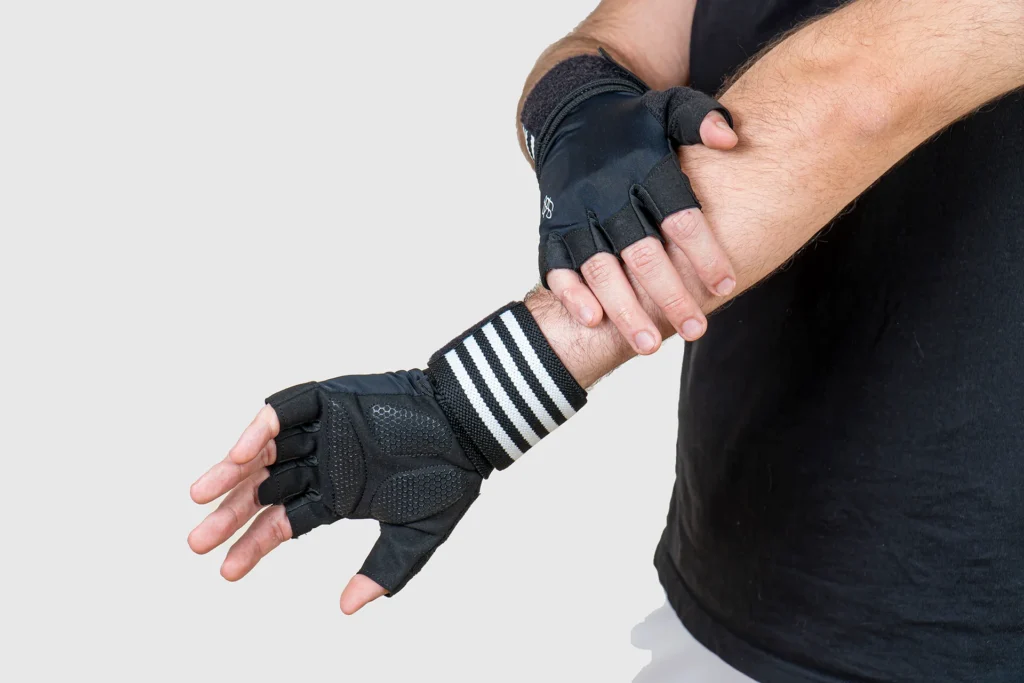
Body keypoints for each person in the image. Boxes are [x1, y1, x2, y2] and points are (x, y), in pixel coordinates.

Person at [189, 0, 1024, 679]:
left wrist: (462, 409)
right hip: (740, 581)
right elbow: (625, 31)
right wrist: (576, 106)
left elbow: (862, 90)